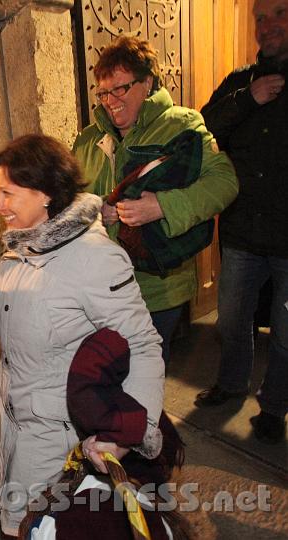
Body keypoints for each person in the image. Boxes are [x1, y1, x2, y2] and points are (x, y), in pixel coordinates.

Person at [0, 134, 164, 536]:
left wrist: (125, 433)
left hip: (63, 438)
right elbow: (34, 305)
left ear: (46, 193)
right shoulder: (25, 245)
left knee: (45, 527)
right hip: (17, 426)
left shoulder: (94, 257)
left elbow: (143, 345)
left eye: (7, 194)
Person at [73, 36, 238, 361]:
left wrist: (161, 207)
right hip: (99, 287)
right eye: (103, 92)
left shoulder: (181, 125)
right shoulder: (88, 139)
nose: (110, 100)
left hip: (155, 289)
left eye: (120, 88)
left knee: (139, 376)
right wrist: (95, 209)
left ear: (147, 82)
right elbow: (71, 198)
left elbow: (224, 183)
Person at [194, 0, 287, 444]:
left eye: (280, 13)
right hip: (241, 232)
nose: (267, 25)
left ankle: (274, 406)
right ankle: (232, 384)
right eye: (261, 17)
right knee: (231, 320)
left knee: (286, 333)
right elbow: (202, 130)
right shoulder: (238, 83)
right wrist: (248, 100)